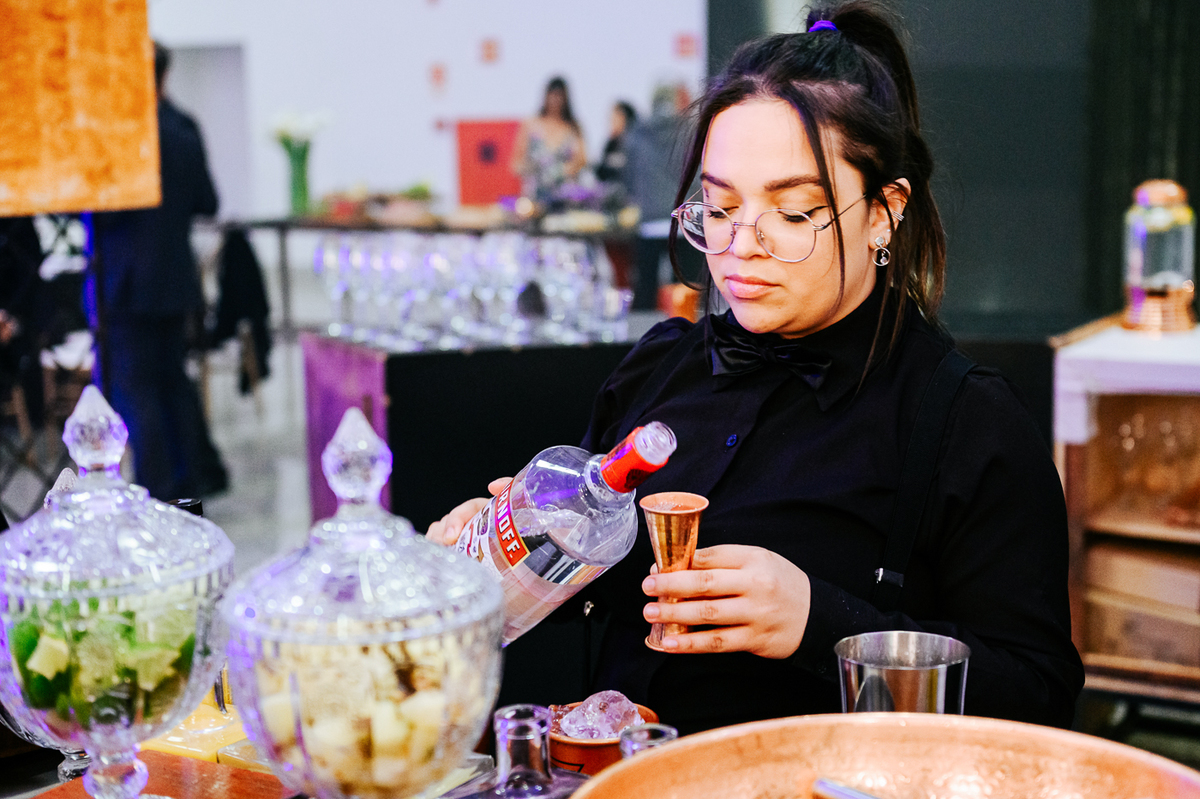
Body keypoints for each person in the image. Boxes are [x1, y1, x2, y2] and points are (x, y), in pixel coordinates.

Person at [431, 1, 1082, 734]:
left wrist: (822, 624)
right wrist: (516, 555)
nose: (742, 246)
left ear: (884, 212)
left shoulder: (966, 423)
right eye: (719, 207)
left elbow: (1039, 694)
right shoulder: (658, 369)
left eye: (794, 213)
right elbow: (583, 614)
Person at [89, 42, 227, 500]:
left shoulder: (116, 139)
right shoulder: (183, 131)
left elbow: (96, 216)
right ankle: (187, 485)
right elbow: (207, 201)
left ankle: (155, 491)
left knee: (136, 393)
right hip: (173, 280)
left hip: (124, 285)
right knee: (172, 384)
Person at [510, 77, 587, 208]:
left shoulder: (573, 127)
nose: (555, 100)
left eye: (560, 96)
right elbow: (515, 163)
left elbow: (582, 160)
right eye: (552, 95)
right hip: (535, 198)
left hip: (565, 197)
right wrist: (534, 168)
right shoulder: (531, 125)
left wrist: (563, 170)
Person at [595, 101, 637, 187]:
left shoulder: (635, 145)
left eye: (615, 120)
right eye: (610, 120)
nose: (611, 124)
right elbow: (601, 172)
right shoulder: (610, 145)